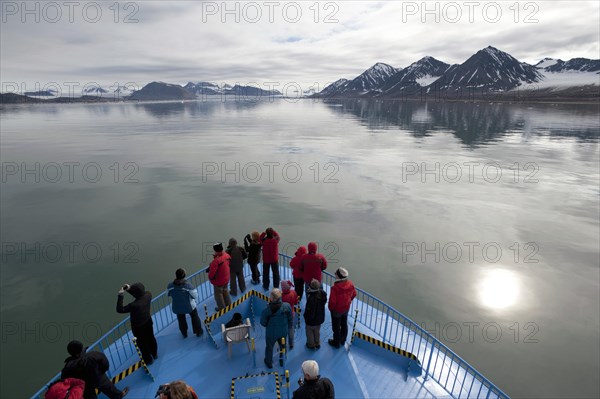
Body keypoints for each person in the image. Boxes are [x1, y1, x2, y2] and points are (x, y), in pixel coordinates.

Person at [61, 340, 129, 399]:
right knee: (109, 388)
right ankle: (119, 396)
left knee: (89, 396)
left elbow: (65, 379)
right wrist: (103, 371)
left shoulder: (69, 367)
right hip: (99, 378)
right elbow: (104, 362)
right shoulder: (93, 355)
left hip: (85, 385)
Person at [117, 282, 158, 364]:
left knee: (142, 343)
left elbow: (120, 309)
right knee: (151, 338)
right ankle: (154, 354)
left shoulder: (133, 305)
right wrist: (129, 289)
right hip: (148, 321)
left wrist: (120, 296)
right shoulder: (148, 295)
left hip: (138, 327)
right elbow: (139, 295)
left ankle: (148, 360)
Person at [260, 288, 292, 368]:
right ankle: (282, 360)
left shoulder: (266, 311)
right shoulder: (287, 306)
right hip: (283, 331)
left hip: (271, 332)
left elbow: (263, 323)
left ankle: (269, 362)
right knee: (283, 346)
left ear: (271, 298)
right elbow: (290, 318)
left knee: (269, 347)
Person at [167, 268, 203, 338]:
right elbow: (195, 296)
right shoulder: (188, 286)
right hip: (189, 306)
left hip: (177, 307)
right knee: (194, 316)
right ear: (184, 275)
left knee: (181, 319)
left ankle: (184, 333)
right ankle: (198, 331)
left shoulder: (170, 286)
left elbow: (168, 294)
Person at [328, 267, 357, 349]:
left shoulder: (335, 288)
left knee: (336, 327)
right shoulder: (350, 284)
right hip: (346, 308)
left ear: (339, 276)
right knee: (344, 324)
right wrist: (348, 301)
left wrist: (331, 309)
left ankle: (336, 342)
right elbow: (354, 294)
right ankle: (343, 340)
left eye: (336, 273)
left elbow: (332, 302)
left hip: (336, 310)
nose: (335, 274)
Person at [304, 279, 327, 350]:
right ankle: (317, 343)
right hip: (319, 319)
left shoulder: (311, 298)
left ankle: (311, 344)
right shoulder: (322, 295)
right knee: (317, 332)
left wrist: (306, 317)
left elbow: (310, 311)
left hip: (311, 321)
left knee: (309, 332)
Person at [208, 242, 231, 311]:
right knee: (226, 291)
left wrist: (210, 278)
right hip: (226, 278)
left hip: (219, 282)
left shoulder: (215, 261)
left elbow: (212, 273)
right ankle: (229, 305)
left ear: (215, 250)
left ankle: (222, 309)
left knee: (219, 296)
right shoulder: (227, 255)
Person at [281, 280, 298, 349]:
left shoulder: (281, 296)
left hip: (283, 316)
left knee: (283, 329)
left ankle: (283, 344)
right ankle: (291, 344)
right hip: (291, 314)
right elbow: (296, 302)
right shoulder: (293, 292)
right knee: (290, 328)